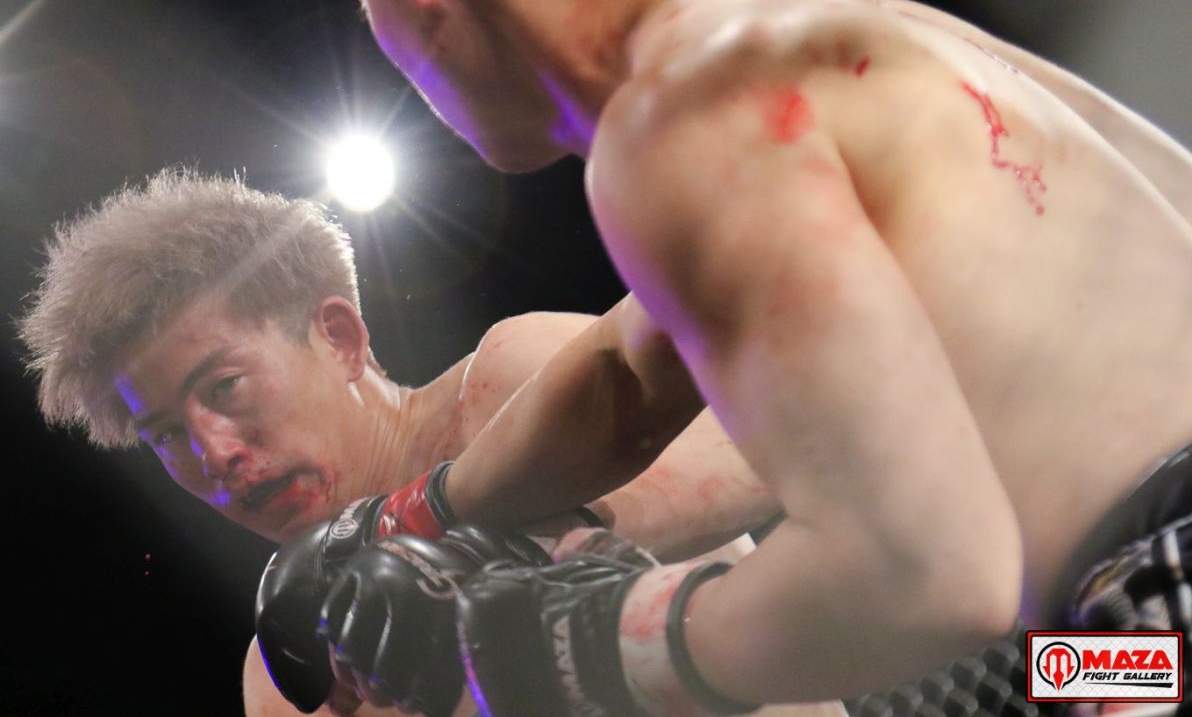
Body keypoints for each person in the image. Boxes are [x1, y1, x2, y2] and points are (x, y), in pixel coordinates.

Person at [275, 0, 1192, 714]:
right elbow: (628, 379)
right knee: (1061, 673)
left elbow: (935, 579)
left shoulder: (687, 112)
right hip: (1145, 633)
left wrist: (584, 639)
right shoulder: (828, 35)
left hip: (1165, 585)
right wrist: (406, 520)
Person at [17, 169, 841, 717]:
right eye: (166, 435)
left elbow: (766, 443)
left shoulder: (507, 383)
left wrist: (452, 539)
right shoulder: (283, 677)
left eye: (225, 388)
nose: (215, 454)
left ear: (338, 337)